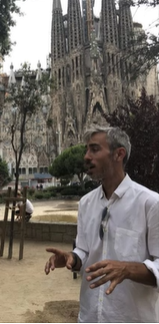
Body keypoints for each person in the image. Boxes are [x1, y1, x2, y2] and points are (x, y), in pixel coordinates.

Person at [45, 126, 159, 322]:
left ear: (119, 154)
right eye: (87, 150)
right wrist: (72, 258)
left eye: (95, 149)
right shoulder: (86, 203)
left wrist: (127, 269)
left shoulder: (150, 204)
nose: (86, 157)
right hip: (90, 316)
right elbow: (85, 251)